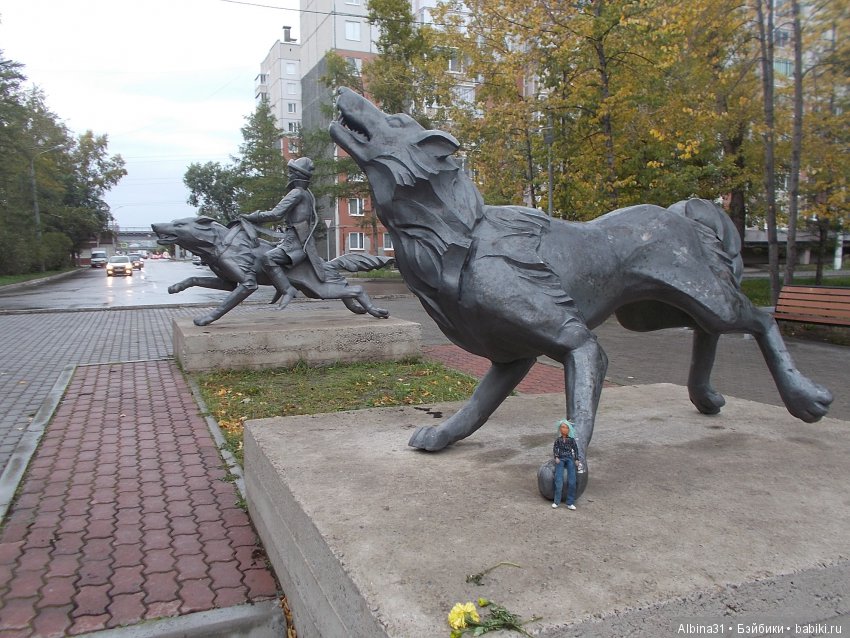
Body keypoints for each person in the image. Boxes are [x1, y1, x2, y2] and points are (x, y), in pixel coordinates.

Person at [239, 157, 326, 306]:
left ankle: (287, 290)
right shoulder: (307, 194)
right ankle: (280, 288)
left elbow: (276, 214)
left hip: (295, 243)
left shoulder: (297, 193)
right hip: (296, 239)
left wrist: (252, 216)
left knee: (267, 259)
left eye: (291, 172)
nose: (289, 175)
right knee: (270, 251)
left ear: (298, 175)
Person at [552, 419, 579, 510]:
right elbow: (555, 448)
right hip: (561, 458)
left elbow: (575, 449)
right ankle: (556, 501)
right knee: (558, 480)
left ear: (569, 429)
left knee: (572, 480)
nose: (564, 429)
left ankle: (570, 502)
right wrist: (556, 457)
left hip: (569, 458)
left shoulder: (571, 440)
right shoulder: (558, 440)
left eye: (566, 428)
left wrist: (576, 459)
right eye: (562, 427)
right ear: (560, 429)